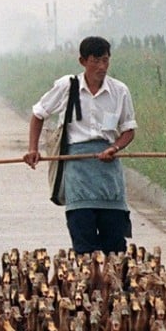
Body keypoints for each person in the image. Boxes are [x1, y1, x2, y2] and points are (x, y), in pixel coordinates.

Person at [22, 36, 137, 254]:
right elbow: (38, 114)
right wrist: (33, 149)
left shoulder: (119, 91)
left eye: (105, 60)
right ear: (82, 61)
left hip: (109, 174)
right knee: (83, 245)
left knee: (115, 247)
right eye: (96, 61)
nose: (101, 67)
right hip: (77, 171)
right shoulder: (67, 86)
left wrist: (115, 148)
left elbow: (129, 130)